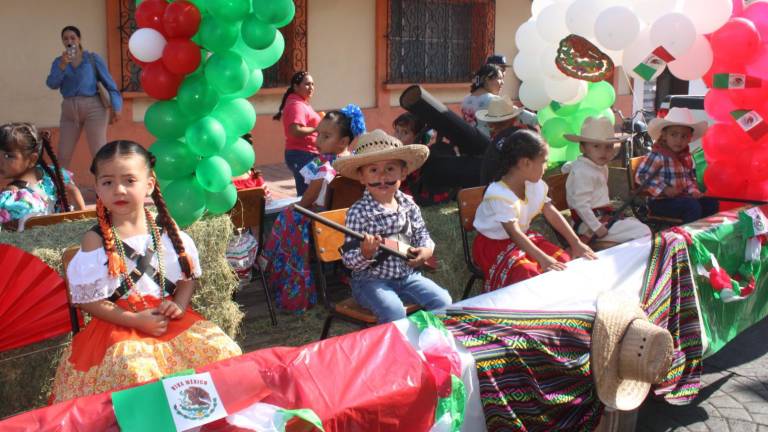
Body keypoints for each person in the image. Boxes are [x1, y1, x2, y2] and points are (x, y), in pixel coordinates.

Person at [50, 141, 241, 403]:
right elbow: (89, 301)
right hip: (118, 324)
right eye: (107, 182)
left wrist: (180, 305)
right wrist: (136, 320)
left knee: (221, 350)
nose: (118, 189)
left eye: (129, 180)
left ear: (149, 184)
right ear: (97, 188)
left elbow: (188, 277)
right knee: (137, 370)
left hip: (167, 319)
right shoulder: (95, 240)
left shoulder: (166, 231)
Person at [333, 129, 452, 323]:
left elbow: (422, 233)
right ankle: (396, 349)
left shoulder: (408, 204)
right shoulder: (358, 212)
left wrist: (427, 250)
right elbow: (349, 260)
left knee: (443, 300)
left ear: (403, 172)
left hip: (408, 277)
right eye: (373, 170)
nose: (382, 176)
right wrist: (365, 253)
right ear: (362, 177)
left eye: (390, 169)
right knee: (394, 311)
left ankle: (430, 342)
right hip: (370, 282)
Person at [264, 105, 366, 313]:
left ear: (343, 142)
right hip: (350, 223)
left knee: (286, 216)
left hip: (323, 223)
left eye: (326, 136)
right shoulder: (356, 161)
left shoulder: (324, 165)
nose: (319, 140)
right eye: (319, 134)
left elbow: (309, 198)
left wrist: (298, 206)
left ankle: (274, 265)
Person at [472, 130, 598, 292]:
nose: (546, 167)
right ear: (526, 163)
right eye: (544, 162)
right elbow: (514, 233)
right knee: (527, 273)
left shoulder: (534, 184)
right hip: (493, 245)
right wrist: (543, 259)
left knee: (564, 260)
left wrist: (576, 243)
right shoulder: (498, 194)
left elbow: (551, 213)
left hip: (524, 237)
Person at [562, 117, 651, 247]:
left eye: (608, 147)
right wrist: (596, 227)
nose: (603, 152)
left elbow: (570, 166)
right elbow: (580, 205)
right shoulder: (583, 171)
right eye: (596, 146)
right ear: (582, 148)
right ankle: (599, 245)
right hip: (588, 224)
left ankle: (609, 245)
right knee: (643, 231)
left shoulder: (597, 166)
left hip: (603, 218)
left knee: (636, 225)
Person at [46, 26, 123, 169]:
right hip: (69, 109)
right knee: (63, 153)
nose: (69, 41)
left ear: (79, 39)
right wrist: (62, 66)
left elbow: (110, 84)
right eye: (65, 38)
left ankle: (104, 187)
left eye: (72, 37)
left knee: (98, 150)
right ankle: (60, 188)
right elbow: (52, 84)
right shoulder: (59, 62)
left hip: (94, 107)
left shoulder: (92, 59)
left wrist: (117, 107)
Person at [636, 107, 718, 224]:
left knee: (711, 202)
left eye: (684, 136)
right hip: (660, 202)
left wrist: (694, 191)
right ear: (664, 135)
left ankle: (703, 234)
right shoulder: (657, 155)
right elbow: (641, 176)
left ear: (689, 138)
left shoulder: (685, 157)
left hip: (681, 199)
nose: (679, 140)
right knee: (692, 206)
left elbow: (689, 178)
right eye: (674, 135)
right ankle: (687, 236)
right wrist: (664, 189)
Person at [0, 122, 85, 226]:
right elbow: (73, 190)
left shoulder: (12, 195)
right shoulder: (53, 174)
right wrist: (82, 216)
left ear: (32, 159)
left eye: (8, 156)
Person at [273, 71, 322, 196]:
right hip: (302, 155)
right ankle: (305, 215)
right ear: (296, 87)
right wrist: (318, 128)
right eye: (307, 84)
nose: (311, 87)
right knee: (307, 194)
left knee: (313, 192)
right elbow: (296, 131)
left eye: (312, 84)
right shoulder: (296, 105)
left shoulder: (302, 103)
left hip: (309, 154)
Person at [393, 113, 453, 206]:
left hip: (420, 194)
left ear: (418, 136)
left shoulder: (420, 156)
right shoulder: (399, 153)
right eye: (397, 131)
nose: (398, 136)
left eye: (405, 132)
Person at [461, 64, 504, 137]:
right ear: (487, 79)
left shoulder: (466, 99)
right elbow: (519, 114)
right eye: (499, 78)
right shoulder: (493, 100)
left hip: (467, 142)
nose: (502, 82)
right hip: (485, 144)